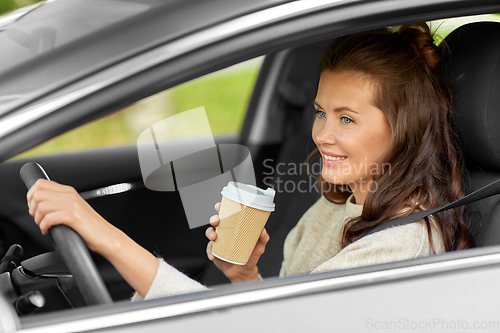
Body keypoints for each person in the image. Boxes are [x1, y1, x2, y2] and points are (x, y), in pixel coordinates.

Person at [26, 23, 473, 301]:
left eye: (347, 118)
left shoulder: (398, 248)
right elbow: (284, 318)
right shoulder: (340, 202)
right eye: (320, 112)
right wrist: (245, 275)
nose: (322, 135)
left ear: (405, 129)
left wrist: (101, 232)